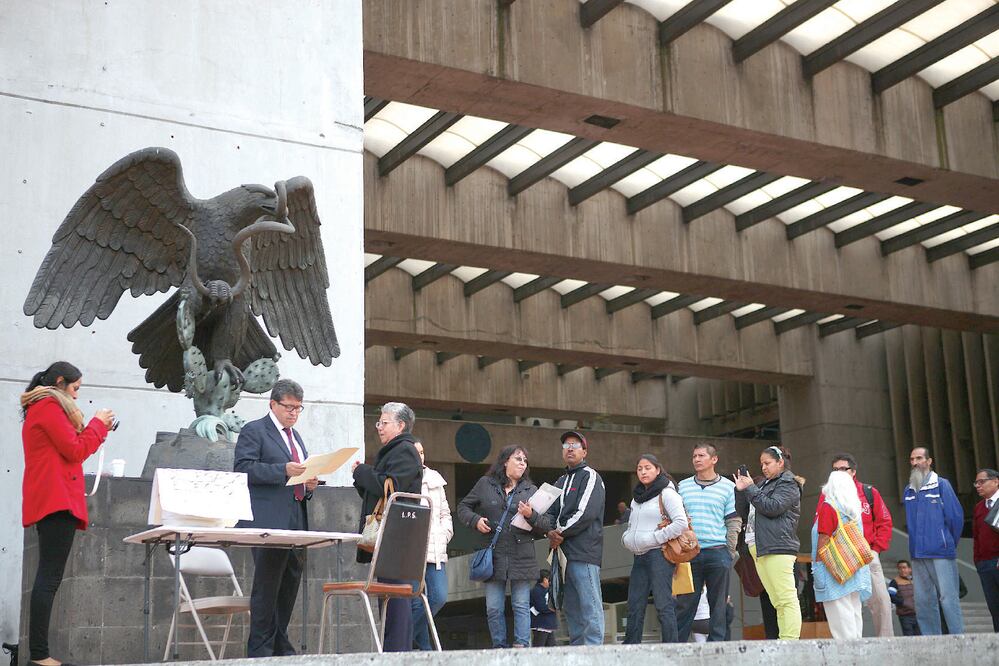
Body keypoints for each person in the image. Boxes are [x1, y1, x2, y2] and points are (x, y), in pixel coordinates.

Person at [21, 362, 114, 666]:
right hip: (56, 501)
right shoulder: (48, 406)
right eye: (75, 389)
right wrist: (98, 425)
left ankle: (39, 653)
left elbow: (71, 448)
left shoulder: (43, 406)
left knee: (49, 577)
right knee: (49, 578)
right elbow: (74, 450)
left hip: (53, 500)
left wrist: (97, 431)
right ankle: (39, 655)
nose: (76, 397)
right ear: (60, 382)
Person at [234, 379, 319, 658]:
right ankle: (260, 648)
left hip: (296, 515)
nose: (293, 413)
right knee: (268, 584)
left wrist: (308, 484)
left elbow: (298, 473)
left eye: (298, 408)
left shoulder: (296, 437)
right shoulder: (254, 430)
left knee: (290, 583)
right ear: (273, 404)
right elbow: (243, 469)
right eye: (289, 407)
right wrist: (282, 470)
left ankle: (280, 643)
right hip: (267, 520)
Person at [457, 445, 550, 648]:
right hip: (493, 553)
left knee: (521, 605)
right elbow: (463, 507)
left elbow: (545, 525)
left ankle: (522, 646)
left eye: (525, 461)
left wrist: (530, 515)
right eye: (518, 459)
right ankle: (499, 647)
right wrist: (475, 520)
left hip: (521, 553)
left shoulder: (531, 490)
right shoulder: (485, 484)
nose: (522, 463)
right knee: (493, 608)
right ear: (505, 461)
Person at [352, 402, 423, 651]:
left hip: (398, 533)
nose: (379, 427)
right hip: (394, 532)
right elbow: (379, 495)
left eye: (384, 422)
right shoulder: (395, 450)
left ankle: (396, 652)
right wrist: (362, 477)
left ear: (400, 425)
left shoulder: (404, 450)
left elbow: (391, 487)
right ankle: (395, 649)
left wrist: (362, 472)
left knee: (395, 594)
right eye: (378, 422)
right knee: (391, 593)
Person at [734, 444, 802, 640]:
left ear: (780, 462)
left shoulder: (788, 483)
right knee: (777, 600)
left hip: (778, 547)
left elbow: (773, 507)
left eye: (767, 463)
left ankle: (790, 642)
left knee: (786, 598)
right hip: (760, 547)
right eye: (761, 464)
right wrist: (741, 490)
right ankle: (785, 640)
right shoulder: (764, 484)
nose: (763, 467)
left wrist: (751, 488)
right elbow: (743, 512)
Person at [545, 430, 606, 645]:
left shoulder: (590, 476)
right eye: (565, 445)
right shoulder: (560, 481)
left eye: (575, 445)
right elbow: (549, 513)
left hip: (584, 553)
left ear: (585, 451)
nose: (569, 448)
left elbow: (585, 513)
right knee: (571, 607)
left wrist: (559, 533)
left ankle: (594, 653)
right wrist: (550, 531)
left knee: (590, 605)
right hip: (562, 556)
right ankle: (578, 652)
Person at [823, 453, 894, 636]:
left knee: (880, 602)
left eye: (843, 469)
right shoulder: (828, 495)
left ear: (853, 471)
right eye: (835, 469)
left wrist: (876, 549)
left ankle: (885, 643)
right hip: (842, 558)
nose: (839, 472)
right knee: (848, 604)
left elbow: (884, 522)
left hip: (867, 555)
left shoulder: (868, 492)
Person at [676, 443, 740, 642]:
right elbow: (676, 517)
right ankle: (676, 648)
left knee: (718, 604)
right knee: (685, 604)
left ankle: (717, 649)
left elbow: (733, 521)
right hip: (689, 553)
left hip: (717, 551)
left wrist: (729, 551)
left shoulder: (729, 487)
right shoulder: (683, 486)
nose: (696, 459)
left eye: (701, 455)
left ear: (714, 459)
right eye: (694, 456)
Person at [621, 453, 688, 643]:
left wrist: (654, 538)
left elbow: (681, 523)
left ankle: (671, 649)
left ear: (658, 470)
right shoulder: (637, 498)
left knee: (663, 604)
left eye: (648, 468)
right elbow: (631, 526)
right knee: (634, 605)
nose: (643, 472)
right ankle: (630, 650)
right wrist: (626, 538)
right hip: (639, 556)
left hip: (659, 554)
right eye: (640, 468)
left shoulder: (667, 493)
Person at [904, 446, 964, 635]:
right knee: (922, 601)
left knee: (948, 598)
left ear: (929, 461)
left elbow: (956, 518)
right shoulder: (909, 490)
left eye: (920, 458)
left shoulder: (941, 485)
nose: (915, 462)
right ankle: (931, 640)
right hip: (917, 554)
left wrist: (946, 542)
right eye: (912, 459)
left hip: (940, 552)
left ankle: (958, 638)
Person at [811, 470, 872, 639]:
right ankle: (857, 649)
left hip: (834, 570)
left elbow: (824, 538)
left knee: (839, 616)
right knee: (854, 612)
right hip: (854, 567)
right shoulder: (854, 509)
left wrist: (817, 567)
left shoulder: (829, 507)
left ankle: (847, 653)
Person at [410, 438, 454, 650]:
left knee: (438, 597)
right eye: (415, 452)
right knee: (413, 602)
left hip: (435, 548)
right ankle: (425, 651)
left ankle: (403, 634)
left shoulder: (435, 478)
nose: (420, 455)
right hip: (410, 550)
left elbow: (445, 512)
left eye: (422, 451)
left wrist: (444, 533)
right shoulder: (402, 476)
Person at [972, 468, 999, 632]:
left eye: (982, 482)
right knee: (994, 609)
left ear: (996, 481)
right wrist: (978, 561)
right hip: (985, 564)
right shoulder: (978, 507)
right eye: (976, 483)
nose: (978, 486)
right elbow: (976, 536)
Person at [888, 560, 920, 636]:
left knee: (920, 636)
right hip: (905, 615)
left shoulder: (916, 580)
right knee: (909, 636)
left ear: (910, 569)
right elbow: (891, 596)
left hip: (918, 615)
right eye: (900, 568)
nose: (902, 570)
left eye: (904, 568)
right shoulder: (895, 582)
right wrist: (902, 603)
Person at [530, 570, 558, 647]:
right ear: (545, 579)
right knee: (539, 648)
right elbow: (540, 607)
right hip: (541, 625)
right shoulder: (537, 591)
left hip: (547, 625)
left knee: (552, 649)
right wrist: (552, 609)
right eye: (550, 579)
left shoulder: (547, 590)